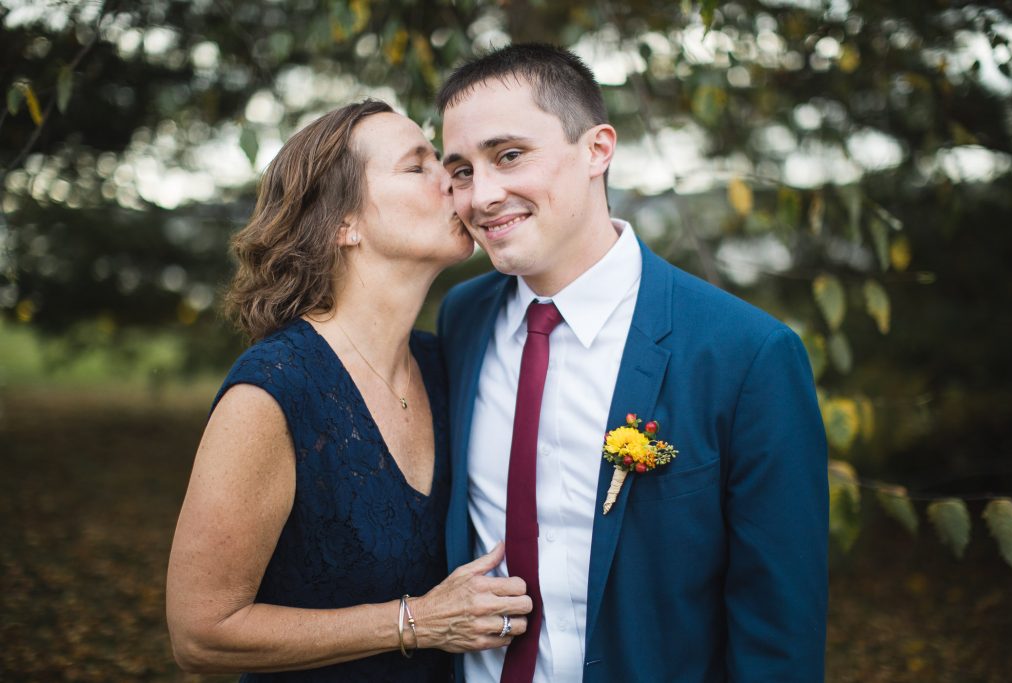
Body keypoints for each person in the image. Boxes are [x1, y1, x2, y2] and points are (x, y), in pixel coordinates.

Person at [436, 44, 829, 682]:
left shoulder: (747, 354)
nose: (482, 195)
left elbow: (779, 626)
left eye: (510, 156)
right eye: (460, 170)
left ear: (597, 149)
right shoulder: (463, 319)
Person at [166, 99, 533, 682]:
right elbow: (201, 634)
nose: (456, 181)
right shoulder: (272, 393)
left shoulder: (446, 366)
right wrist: (415, 622)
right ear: (344, 223)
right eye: (418, 167)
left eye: (445, 162)